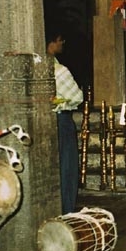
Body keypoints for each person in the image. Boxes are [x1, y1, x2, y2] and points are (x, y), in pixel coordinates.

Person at [47, 28, 84, 214]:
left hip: (45, 122)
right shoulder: (59, 71)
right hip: (61, 120)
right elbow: (77, 96)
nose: (62, 44)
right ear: (53, 42)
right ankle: (66, 209)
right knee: (66, 167)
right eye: (60, 40)